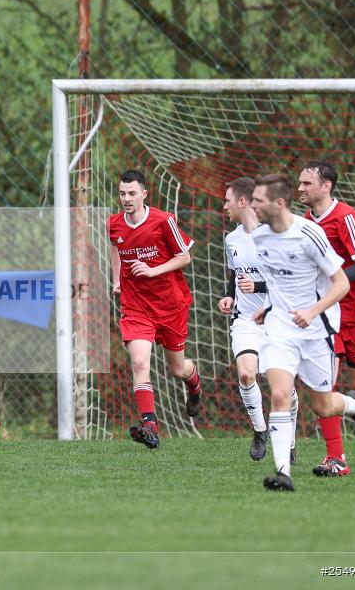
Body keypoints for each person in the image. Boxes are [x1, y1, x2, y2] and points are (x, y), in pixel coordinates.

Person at [250, 173, 355, 492]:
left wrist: (312, 311)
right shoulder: (260, 237)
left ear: (278, 203)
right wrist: (267, 306)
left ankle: (354, 406)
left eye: (258, 201)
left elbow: (342, 283)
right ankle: (283, 474)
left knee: (323, 405)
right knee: (279, 394)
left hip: (316, 330)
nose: (253, 206)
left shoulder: (309, 233)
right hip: (280, 330)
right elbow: (279, 280)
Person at [299, 159, 355, 477]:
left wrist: (332, 280)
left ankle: (353, 417)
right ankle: (336, 458)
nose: (300, 189)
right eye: (299, 184)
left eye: (307, 184)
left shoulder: (346, 217)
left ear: (326, 186)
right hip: (326, 315)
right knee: (325, 383)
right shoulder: (303, 224)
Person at [107, 169, 202, 449]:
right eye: (122, 193)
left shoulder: (163, 221)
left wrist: (152, 271)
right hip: (136, 307)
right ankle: (150, 425)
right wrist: (116, 279)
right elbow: (115, 245)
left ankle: (194, 383)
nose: (126, 198)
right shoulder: (113, 224)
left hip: (170, 305)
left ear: (144, 194)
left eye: (132, 193)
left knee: (177, 368)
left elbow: (184, 257)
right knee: (139, 362)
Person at [218, 177, 299, 462]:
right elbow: (234, 275)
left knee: (283, 388)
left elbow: (285, 281)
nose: (224, 205)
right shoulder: (232, 238)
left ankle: (288, 440)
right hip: (245, 320)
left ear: (242, 202)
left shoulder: (274, 234)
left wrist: (259, 287)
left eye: (227, 200)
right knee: (246, 374)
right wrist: (229, 296)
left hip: (275, 320)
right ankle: (260, 430)